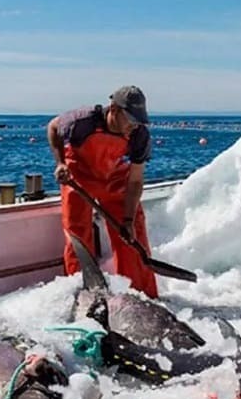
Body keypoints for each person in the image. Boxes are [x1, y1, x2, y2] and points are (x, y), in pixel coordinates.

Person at [47, 86, 158, 298]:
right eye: (130, 119)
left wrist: (127, 220)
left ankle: (140, 297)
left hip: (114, 178)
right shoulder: (82, 120)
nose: (133, 126)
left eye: (138, 121)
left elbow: (135, 181)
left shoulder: (139, 136)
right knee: (77, 237)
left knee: (133, 237)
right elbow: (52, 127)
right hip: (78, 175)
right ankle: (85, 297)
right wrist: (60, 163)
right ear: (114, 109)